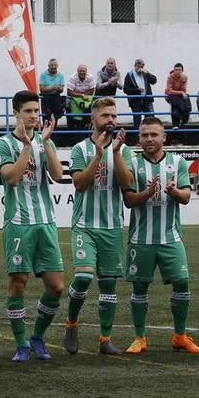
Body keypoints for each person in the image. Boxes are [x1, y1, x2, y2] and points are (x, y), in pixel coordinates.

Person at [0, 90, 66, 362]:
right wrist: (26, 146)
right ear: (16, 113)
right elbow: (11, 178)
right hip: (18, 224)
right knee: (18, 283)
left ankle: (37, 336)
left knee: (56, 286)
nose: (35, 116)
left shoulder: (46, 141)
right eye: (29, 111)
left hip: (45, 222)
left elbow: (58, 175)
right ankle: (21, 343)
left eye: (37, 111)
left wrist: (45, 144)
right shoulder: (3, 144)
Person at [122, 117, 199, 356]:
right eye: (145, 135)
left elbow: (186, 197)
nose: (149, 139)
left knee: (182, 282)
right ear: (139, 138)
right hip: (141, 239)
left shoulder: (178, 162)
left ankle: (180, 336)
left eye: (154, 135)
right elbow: (128, 200)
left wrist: (172, 191)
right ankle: (139, 338)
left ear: (164, 137)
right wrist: (148, 192)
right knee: (139, 287)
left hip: (171, 238)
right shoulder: (133, 165)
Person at [63, 98, 135, 355]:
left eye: (114, 116)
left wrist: (115, 152)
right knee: (83, 277)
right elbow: (80, 184)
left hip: (112, 226)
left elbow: (127, 184)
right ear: (93, 119)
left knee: (108, 285)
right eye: (106, 115)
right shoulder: (79, 149)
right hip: (85, 225)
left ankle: (105, 340)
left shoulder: (124, 150)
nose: (111, 120)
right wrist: (99, 155)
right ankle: (71, 323)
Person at [123, 59, 159, 130]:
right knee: (137, 119)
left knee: (150, 118)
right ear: (135, 66)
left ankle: (149, 133)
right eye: (138, 66)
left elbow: (154, 81)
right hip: (135, 100)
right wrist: (137, 90)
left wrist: (147, 73)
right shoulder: (130, 75)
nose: (140, 68)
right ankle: (137, 138)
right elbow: (126, 89)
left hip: (147, 99)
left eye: (141, 66)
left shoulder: (145, 73)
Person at [66, 64, 97, 132]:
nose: (82, 72)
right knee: (72, 124)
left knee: (85, 122)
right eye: (80, 71)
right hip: (72, 103)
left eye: (84, 71)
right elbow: (69, 92)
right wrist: (82, 95)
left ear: (86, 71)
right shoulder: (72, 78)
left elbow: (92, 91)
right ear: (77, 71)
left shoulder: (90, 77)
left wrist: (78, 94)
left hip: (85, 102)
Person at [39, 59, 67, 126]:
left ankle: (53, 135)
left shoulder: (61, 75)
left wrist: (59, 89)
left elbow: (62, 90)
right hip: (46, 99)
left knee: (55, 119)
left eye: (55, 65)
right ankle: (46, 135)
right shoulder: (43, 74)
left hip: (56, 98)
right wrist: (53, 87)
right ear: (48, 66)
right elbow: (41, 89)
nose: (54, 67)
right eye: (52, 65)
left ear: (57, 66)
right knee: (46, 118)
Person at [165, 63, 191, 132]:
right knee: (177, 107)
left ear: (182, 71)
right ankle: (179, 122)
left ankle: (178, 123)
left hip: (179, 96)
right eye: (176, 70)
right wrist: (181, 93)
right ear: (174, 70)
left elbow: (184, 91)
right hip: (170, 95)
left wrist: (182, 83)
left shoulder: (185, 77)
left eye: (179, 70)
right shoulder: (170, 77)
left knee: (186, 104)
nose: (178, 71)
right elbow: (169, 91)